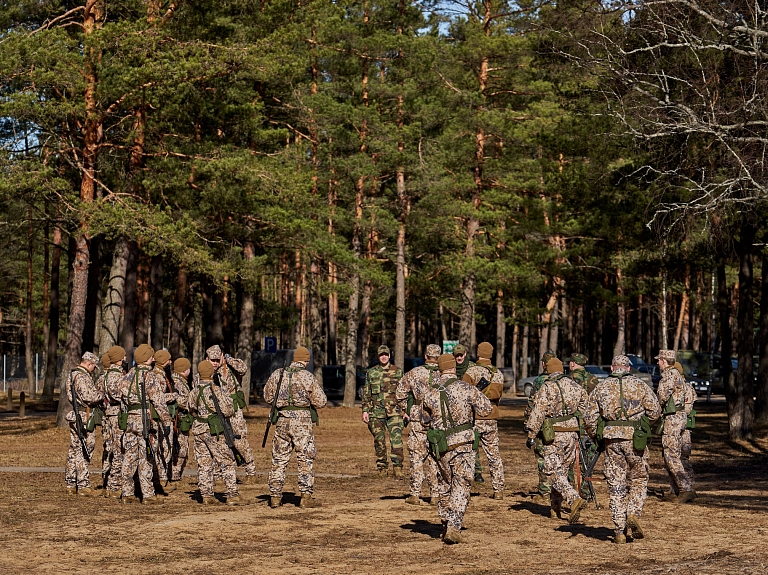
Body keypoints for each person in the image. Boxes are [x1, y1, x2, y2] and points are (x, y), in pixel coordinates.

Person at [583, 355, 661, 544]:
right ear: (627, 368)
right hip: (635, 438)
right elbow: (655, 411)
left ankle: (619, 530)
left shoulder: (601, 387)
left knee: (615, 483)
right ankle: (633, 513)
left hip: (611, 439)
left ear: (611, 368)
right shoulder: (640, 385)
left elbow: (589, 418)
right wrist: (643, 425)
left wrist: (595, 436)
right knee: (639, 478)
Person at [422, 354, 492, 544]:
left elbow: (424, 419)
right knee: (462, 483)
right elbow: (486, 409)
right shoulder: (466, 388)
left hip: (441, 445)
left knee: (445, 484)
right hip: (462, 443)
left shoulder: (430, 392)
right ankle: (453, 526)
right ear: (454, 368)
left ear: (439, 369)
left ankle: (445, 522)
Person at [525, 357, 588, 522]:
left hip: (554, 434)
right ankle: (555, 508)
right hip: (572, 433)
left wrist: (531, 434)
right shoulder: (575, 386)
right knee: (562, 472)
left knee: (552, 472)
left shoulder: (548, 387)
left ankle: (574, 499)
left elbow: (538, 412)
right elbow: (584, 407)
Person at [263, 346, 327, 509]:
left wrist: (282, 403)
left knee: (279, 460)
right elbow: (321, 402)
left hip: (282, 422)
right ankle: (305, 497)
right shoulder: (307, 377)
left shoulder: (278, 374)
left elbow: (267, 396)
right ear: (306, 360)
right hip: (302, 424)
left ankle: (275, 497)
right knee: (305, 458)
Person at [118, 344, 170, 505]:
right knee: (146, 456)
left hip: (130, 420)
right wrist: (166, 419)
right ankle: (147, 494)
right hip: (146, 420)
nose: (154, 359)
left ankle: (126, 492)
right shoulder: (150, 376)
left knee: (129, 456)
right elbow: (158, 400)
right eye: (152, 356)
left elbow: (122, 401)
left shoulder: (126, 377)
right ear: (147, 359)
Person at [188, 360, 244, 505]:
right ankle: (232, 495)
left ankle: (206, 495)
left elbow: (191, 409)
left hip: (199, 429)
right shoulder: (216, 389)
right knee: (226, 460)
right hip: (215, 430)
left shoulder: (194, 391)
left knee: (204, 463)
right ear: (211, 373)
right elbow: (228, 410)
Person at [395, 344, 442, 505]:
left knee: (416, 454)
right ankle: (435, 494)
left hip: (418, 416)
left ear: (426, 356)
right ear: (439, 357)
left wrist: (406, 409)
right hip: (438, 417)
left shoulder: (414, 373)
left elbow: (400, 393)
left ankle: (415, 493)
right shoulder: (445, 374)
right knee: (436, 454)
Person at [206, 345, 257, 484]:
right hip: (215, 412)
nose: (215, 363)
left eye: (218, 359)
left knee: (240, 441)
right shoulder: (205, 372)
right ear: (207, 359)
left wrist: (227, 360)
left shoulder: (231, 369)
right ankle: (218, 473)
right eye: (212, 360)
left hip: (233, 410)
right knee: (217, 441)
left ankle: (250, 470)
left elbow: (243, 368)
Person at [465, 342, 505, 499]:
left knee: (469, 455)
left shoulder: (471, 372)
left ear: (478, 352)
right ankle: (498, 490)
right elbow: (498, 397)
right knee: (494, 455)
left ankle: (465, 488)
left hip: (474, 419)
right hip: (491, 418)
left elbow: (464, 395)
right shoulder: (499, 374)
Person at [656, 350, 696, 503]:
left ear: (664, 360)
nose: (658, 363)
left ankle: (685, 488)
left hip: (672, 418)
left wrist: (654, 411)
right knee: (674, 452)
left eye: (659, 360)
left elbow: (662, 396)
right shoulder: (678, 376)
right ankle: (675, 489)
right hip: (679, 418)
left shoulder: (668, 375)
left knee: (670, 454)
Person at [64, 351, 104, 496]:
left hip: (77, 415)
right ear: (89, 363)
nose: (94, 369)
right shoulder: (81, 376)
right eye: (94, 366)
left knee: (74, 449)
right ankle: (83, 484)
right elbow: (89, 396)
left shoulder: (72, 374)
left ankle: (70, 482)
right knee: (84, 448)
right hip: (83, 415)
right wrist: (102, 393)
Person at [362, 345, 404, 477]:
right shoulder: (371, 372)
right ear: (378, 356)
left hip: (394, 412)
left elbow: (404, 393)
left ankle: (397, 468)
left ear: (390, 355)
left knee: (396, 440)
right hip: (376, 412)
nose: (384, 357)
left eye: (386, 354)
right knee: (379, 440)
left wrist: (406, 410)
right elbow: (366, 393)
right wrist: (365, 411)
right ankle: (382, 467)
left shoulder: (398, 372)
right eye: (381, 355)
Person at [524, 351, 557, 498]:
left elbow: (532, 404)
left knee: (542, 456)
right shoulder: (563, 380)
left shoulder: (539, 381)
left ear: (544, 364)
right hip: (560, 424)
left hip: (542, 424)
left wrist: (528, 423)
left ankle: (545, 488)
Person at [100, 345, 127, 498]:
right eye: (123, 357)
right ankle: (114, 485)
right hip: (117, 415)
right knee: (119, 450)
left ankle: (111, 484)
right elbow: (117, 395)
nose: (125, 359)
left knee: (114, 450)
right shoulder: (115, 375)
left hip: (111, 414)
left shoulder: (108, 374)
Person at [151, 349, 179, 493]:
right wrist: (173, 396)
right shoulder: (158, 377)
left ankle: (162, 478)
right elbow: (158, 398)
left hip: (162, 415)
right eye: (168, 360)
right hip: (160, 416)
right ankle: (161, 479)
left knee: (163, 447)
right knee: (162, 448)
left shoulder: (161, 375)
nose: (170, 362)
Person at [170, 357, 193, 483]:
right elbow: (178, 400)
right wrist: (192, 404)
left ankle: (176, 474)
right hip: (178, 420)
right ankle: (175, 475)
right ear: (185, 370)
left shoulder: (180, 381)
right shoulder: (177, 382)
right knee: (180, 450)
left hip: (182, 420)